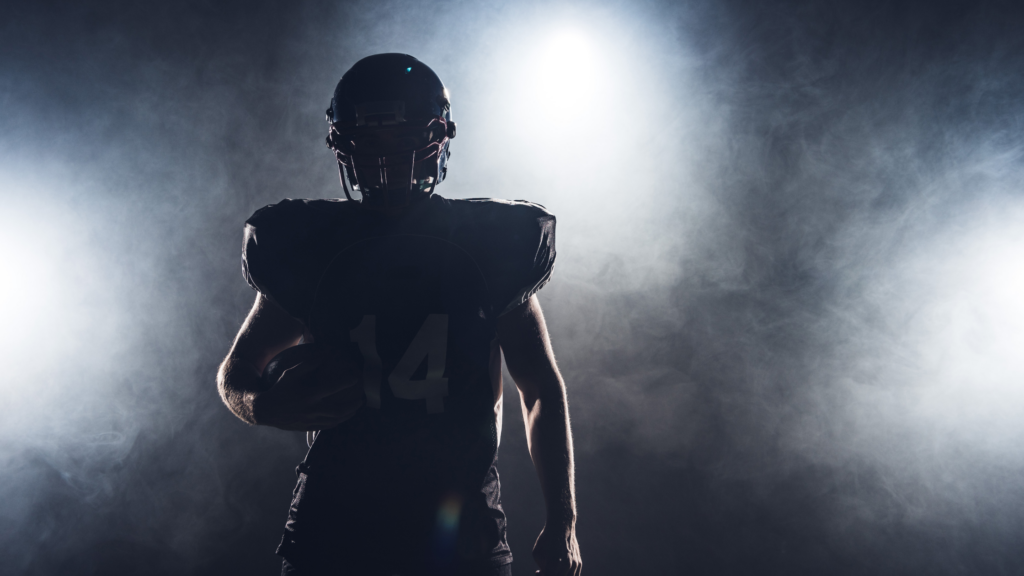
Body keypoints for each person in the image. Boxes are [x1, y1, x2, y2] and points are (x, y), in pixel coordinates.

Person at [216, 53, 582, 576]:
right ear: (345, 146)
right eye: (371, 143)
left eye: (403, 140)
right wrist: (261, 405)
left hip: (460, 529)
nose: (387, 160)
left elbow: (541, 388)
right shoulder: (314, 249)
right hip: (336, 526)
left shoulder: (486, 248)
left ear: (436, 140)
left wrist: (563, 520)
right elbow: (237, 371)